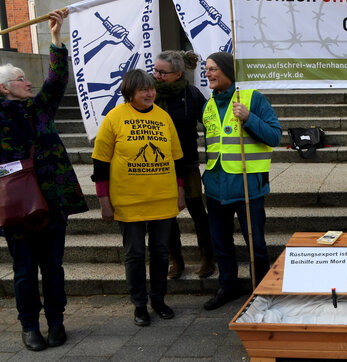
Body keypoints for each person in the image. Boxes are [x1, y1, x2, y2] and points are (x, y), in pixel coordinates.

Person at [0, 9, 88, 351]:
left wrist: (55, 38)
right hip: (17, 207)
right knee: (23, 271)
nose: (28, 82)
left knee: (53, 267)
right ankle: (29, 327)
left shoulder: (40, 109)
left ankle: (56, 321)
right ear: (5, 88)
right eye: (21, 78)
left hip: (51, 202)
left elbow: (56, 80)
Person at [91, 69, 185, 326]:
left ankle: (158, 299)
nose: (149, 93)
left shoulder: (163, 117)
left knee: (161, 254)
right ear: (130, 91)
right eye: (143, 89)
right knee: (134, 254)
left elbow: (177, 158)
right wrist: (103, 200)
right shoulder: (115, 118)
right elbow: (100, 163)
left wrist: (180, 191)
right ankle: (140, 305)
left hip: (162, 199)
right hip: (128, 200)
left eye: (151, 88)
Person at [200, 51, 282, 311]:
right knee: (221, 243)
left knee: (255, 244)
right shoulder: (208, 105)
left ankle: (262, 290)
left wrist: (248, 118)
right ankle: (229, 286)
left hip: (248, 186)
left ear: (227, 71)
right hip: (215, 187)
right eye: (206, 69)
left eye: (213, 69)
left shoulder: (252, 98)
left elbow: (275, 136)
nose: (208, 74)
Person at [152, 50, 215, 279]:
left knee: (197, 210)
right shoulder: (149, 94)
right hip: (158, 165)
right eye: (155, 70)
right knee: (165, 214)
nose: (156, 75)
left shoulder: (191, 94)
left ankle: (208, 258)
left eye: (162, 72)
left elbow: (210, 122)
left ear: (178, 74)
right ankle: (175, 261)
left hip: (187, 162)